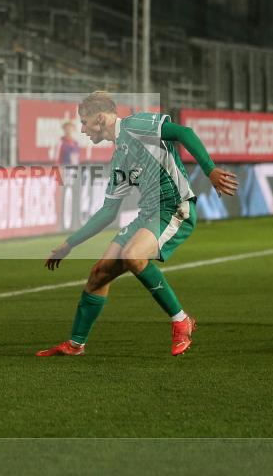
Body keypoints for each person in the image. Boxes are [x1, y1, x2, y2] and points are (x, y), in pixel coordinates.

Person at [37, 92, 238, 357]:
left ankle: (181, 321)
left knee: (133, 256)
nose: (82, 130)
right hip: (148, 215)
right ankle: (76, 345)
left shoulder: (136, 125)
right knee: (100, 273)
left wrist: (210, 170)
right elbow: (108, 212)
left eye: (84, 123)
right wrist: (68, 244)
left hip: (175, 207)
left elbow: (184, 133)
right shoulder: (119, 157)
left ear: (99, 118)